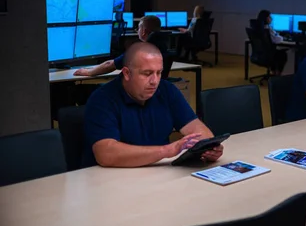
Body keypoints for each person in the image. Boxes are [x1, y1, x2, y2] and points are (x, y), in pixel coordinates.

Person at [83, 42, 223, 168]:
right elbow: (106, 154)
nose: (155, 81)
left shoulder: (166, 90)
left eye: (159, 73)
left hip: (156, 171)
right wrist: (166, 151)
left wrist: (208, 147)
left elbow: (198, 130)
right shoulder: (102, 99)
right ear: (126, 73)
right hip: (114, 178)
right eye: (147, 73)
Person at [74, 15, 167, 77]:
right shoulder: (162, 47)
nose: (137, 30)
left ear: (143, 31)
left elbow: (109, 65)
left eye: (138, 28)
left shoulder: (140, 51)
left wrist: (88, 72)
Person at [255, 9, 288, 76]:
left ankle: (273, 72)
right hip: (268, 55)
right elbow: (277, 40)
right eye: (269, 17)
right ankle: (278, 74)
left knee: (275, 53)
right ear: (266, 18)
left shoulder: (257, 29)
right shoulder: (268, 29)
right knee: (283, 54)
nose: (271, 18)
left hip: (259, 55)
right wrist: (283, 38)